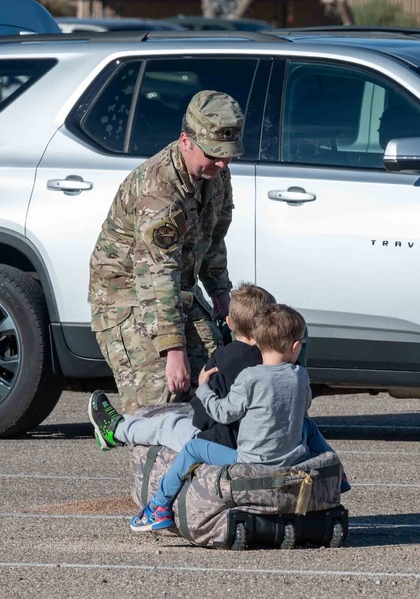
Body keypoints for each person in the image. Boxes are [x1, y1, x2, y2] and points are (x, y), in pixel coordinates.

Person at [88, 90, 244, 414]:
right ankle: (124, 433)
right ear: (185, 140)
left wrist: (221, 293)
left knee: (214, 376)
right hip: (127, 296)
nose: (222, 162)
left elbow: (213, 238)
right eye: (213, 154)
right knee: (161, 397)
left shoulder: (216, 174)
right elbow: (155, 275)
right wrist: (172, 349)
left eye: (227, 154)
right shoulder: (158, 190)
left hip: (175, 290)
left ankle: (192, 462)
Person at [130, 304, 321, 532]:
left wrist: (203, 388)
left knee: (192, 449)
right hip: (293, 457)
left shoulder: (250, 377)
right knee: (308, 425)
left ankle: (158, 507)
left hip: (249, 460)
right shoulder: (300, 375)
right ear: (295, 347)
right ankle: (338, 477)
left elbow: (223, 412)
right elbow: (305, 405)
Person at [88, 283, 274, 452]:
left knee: (167, 426)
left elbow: (203, 418)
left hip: (220, 443)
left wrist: (202, 389)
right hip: (267, 443)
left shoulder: (223, 359)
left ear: (230, 323)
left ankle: (115, 429)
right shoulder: (278, 361)